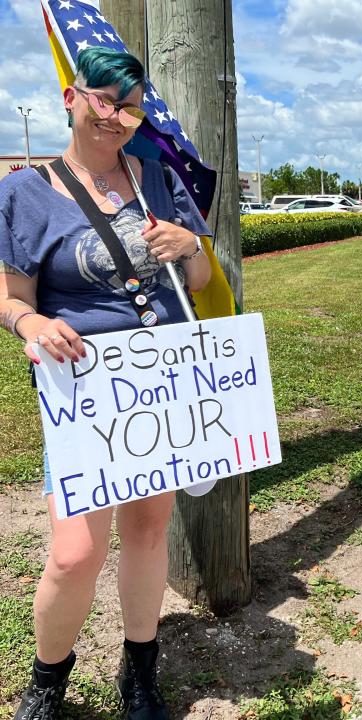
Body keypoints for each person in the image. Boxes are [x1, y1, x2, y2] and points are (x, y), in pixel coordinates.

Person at [0, 48, 212, 720]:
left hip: (162, 386)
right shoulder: (25, 192)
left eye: (129, 105)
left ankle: (139, 671)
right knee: (74, 552)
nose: (116, 116)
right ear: (71, 97)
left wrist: (191, 250)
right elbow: (10, 297)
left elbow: (200, 280)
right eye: (103, 99)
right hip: (88, 395)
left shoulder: (156, 178)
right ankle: (48, 680)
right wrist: (30, 322)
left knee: (149, 530)